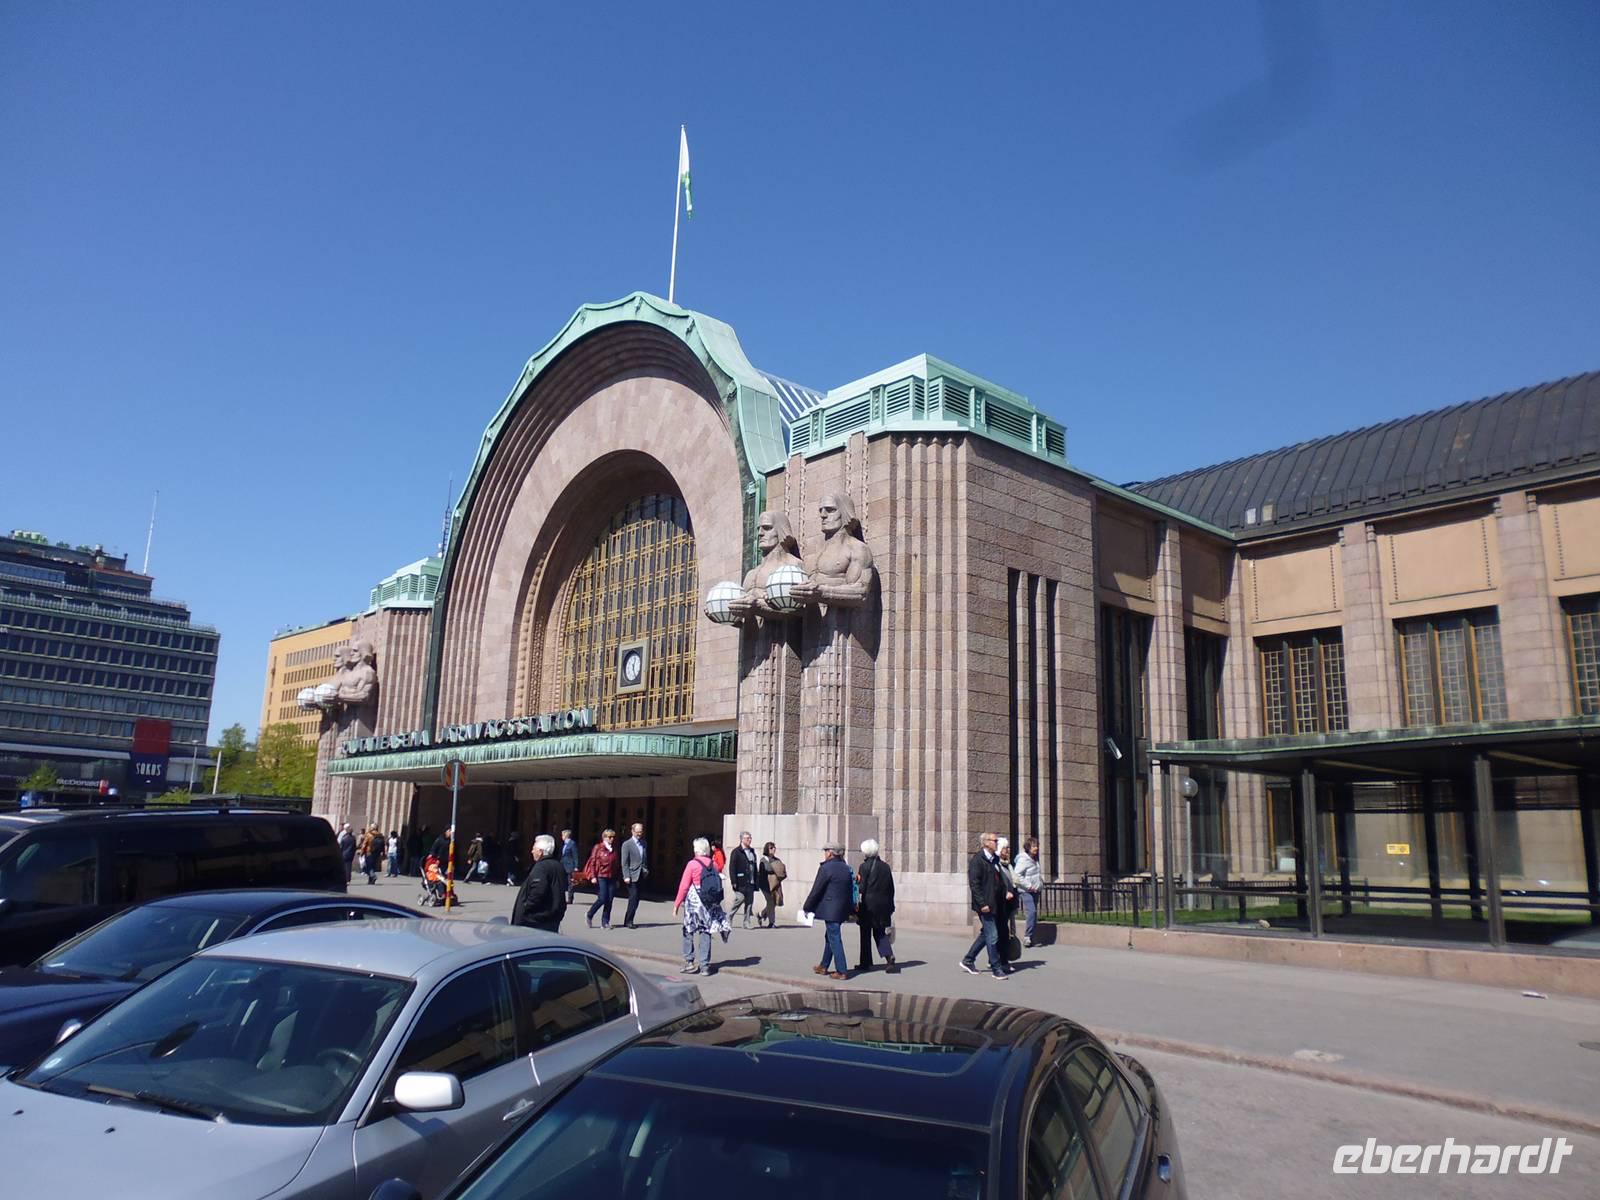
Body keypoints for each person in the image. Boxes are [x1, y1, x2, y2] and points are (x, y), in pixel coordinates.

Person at [959, 832, 1013, 981]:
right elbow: (975, 884)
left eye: (996, 840)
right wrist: (982, 904)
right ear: (986, 843)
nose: (996, 843)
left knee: (986, 934)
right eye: (994, 840)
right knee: (992, 935)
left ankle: (968, 960)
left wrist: (1006, 891)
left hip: (996, 904)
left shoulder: (995, 860)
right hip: (985, 905)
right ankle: (996, 968)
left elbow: (999, 880)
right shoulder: (977, 861)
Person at [673, 837, 730, 975]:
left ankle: (690, 962)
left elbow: (684, 886)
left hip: (694, 902)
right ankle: (704, 965)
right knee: (706, 931)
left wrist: (677, 904)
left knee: (688, 930)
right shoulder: (713, 864)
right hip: (708, 902)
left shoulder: (692, 864)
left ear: (697, 849)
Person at [803, 843, 855, 980]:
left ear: (831, 853)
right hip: (842, 908)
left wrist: (807, 907)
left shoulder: (826, 868)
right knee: (830, 936)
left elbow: (816, 890)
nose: (825, 854)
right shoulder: (846, 868)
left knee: (834, 937)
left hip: (830, 909)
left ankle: (842, 970)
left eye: (826, 851)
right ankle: (823, 965)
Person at [855, 839, 897, 973]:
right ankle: (889, 957)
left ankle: (865, 962)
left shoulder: (864, 867)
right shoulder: (885, 866)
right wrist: (890, 905)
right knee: (879, 933)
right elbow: (891, 887)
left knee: (865, 933)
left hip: (869, 905)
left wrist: (856, 883)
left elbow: (862, 888)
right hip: (884, 905)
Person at [511, 834, 568, 932]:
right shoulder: (558, 866)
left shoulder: (541, 867)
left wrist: (525, 907)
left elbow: (538, 891)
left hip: (536, 920)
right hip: (553, 917)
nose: (532, 851)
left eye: (534, 849)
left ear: (541, 852)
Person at [583, 829, 621, 929]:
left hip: (612, 876)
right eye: (609, 837)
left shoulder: (614, 849)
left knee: (610, 899)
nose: (612, 839)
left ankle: (605, 922)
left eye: (613, 837)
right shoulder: (598, 847)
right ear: (604, 837)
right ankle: (589, 914)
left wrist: (617, 878)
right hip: (601, 875)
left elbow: (616, 865)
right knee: (602, 898)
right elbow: (593, 862)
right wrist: (593, 876)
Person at [727, 831, 761, 929]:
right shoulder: (736, 852)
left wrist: (756, 880)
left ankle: (746, 922)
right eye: (747, 838)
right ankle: (729, 916)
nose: (749, 840)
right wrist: (733, 881)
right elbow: (732, 867)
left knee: (749, 903)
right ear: (742, 839)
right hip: (740, 881)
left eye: (750, 838)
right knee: (740, 899)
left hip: (750, 881)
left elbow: (754, 866)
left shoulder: (752, 852)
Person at [1015, 836, 1043, 947]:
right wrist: (1029, 886)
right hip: (1026, 890)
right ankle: (1027, 936)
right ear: (1028, 847)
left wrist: (1040, 884)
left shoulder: (1035, 859)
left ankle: (1032, 937)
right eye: (1034, 846)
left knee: (1034, 913)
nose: (1036, 848)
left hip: (1036, 889)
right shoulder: (1023, 860)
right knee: (1032, 911)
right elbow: (1017, 875)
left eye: (1037, 846)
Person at [620, 823, 649, 929]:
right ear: (632, 831)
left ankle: (628, 919)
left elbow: (644, 858)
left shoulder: (644, 843)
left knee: (637, 899)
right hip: (631, 875)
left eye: (641, 832)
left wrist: (645, 870)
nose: (639, 834)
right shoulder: (627, 844)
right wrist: (626, 875)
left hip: (641, 874)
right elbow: (624, 862)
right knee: (633, 897)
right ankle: (629, 921)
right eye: (637, 832)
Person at [759, 841, 786, 927]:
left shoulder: (777, 859)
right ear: (767, 849)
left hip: (776, 883)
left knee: (774, 902)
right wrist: (776, 867)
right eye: (771, 848)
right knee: (770, 902)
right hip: (766, 884)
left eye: (774, 847)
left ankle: (761, 914)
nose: (773, 849)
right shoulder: (763, 860)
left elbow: (782, 870)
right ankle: (771, 922)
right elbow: (767, 869)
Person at [560, 829, 579, 903]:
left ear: (566, 836)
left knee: (570, 882)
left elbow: (575, 855)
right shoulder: (564, 844)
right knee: (562, 882)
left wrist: (576, 866)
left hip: (570, 866)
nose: (562, 837)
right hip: (563, 865)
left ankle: (570, 898)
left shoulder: (572, 844)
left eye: (562, 835)